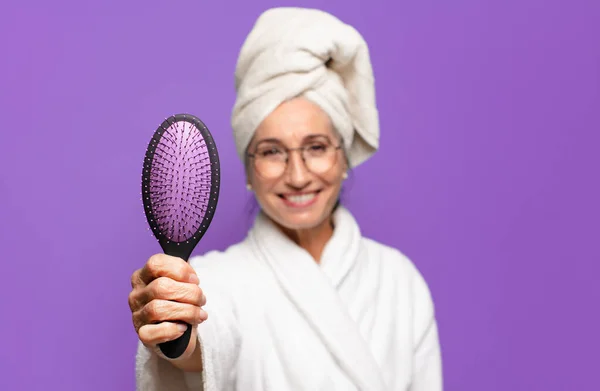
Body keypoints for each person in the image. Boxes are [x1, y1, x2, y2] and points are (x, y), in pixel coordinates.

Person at [130, 7, 443, 391]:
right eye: (272, 152)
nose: (297, 176)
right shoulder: (211, 282)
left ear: (344, 156)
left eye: (316, 146)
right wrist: (173, 328)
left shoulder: (399, 281)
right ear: (247, 170)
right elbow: (207, 345)